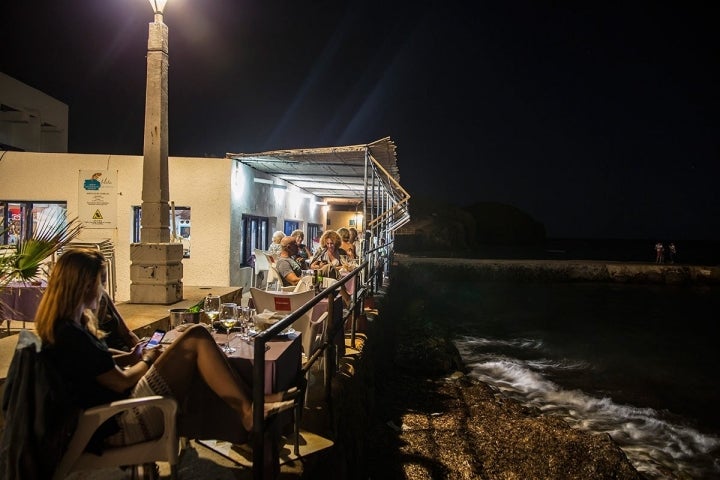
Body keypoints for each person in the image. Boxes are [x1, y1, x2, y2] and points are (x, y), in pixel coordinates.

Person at [35, 248, 295, 450]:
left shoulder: (66, 327)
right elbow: (118, 380)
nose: (103, 290)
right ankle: (249, 409)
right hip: (116, 422)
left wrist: (129, 355)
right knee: (196, 336)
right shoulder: (70, 333)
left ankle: (251, 402)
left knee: (190, 350)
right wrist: (147, 359)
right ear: (83, 284)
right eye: (100, 282)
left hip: (113, 410)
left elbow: (95, 363)